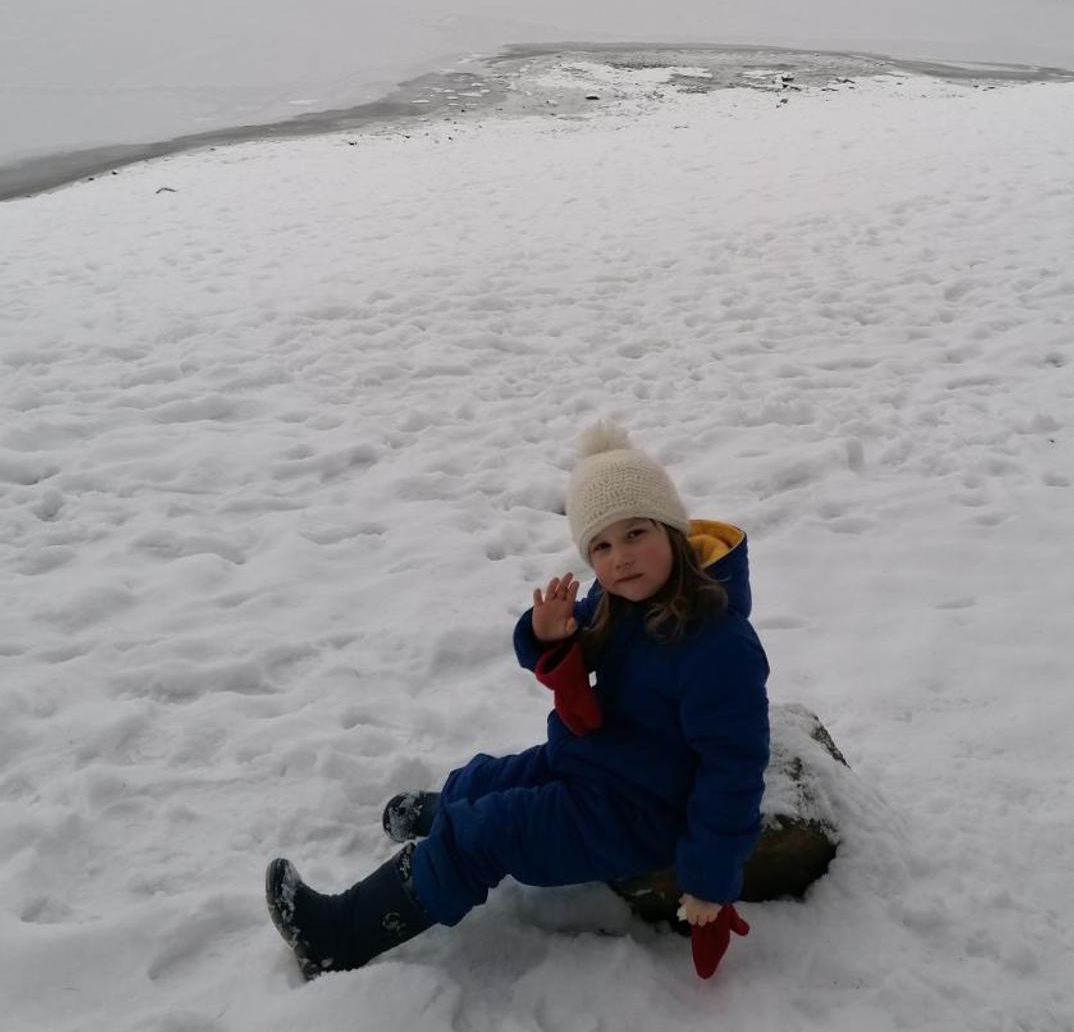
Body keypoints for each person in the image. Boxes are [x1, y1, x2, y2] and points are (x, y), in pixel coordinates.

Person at [265, 419, 771, 982]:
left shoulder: (718, 644)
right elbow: (570, 638)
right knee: (489, 778)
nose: (621, 556)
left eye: (636, 533)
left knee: (485, 833)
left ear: (673, 530)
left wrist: (708, 879)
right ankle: (451, 809)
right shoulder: (623, 598)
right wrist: (547, 632)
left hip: (638, 813)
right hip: (594, 764)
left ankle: (339, 935)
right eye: (601, 545)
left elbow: (734, 768)